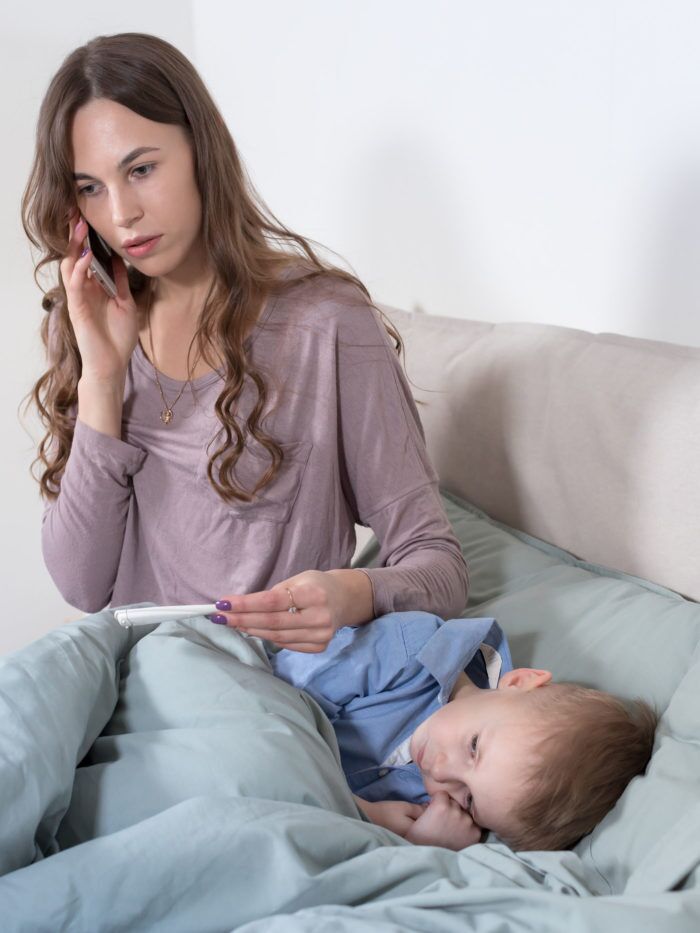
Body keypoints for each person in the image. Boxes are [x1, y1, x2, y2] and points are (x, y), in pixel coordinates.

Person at [21, 33, 468, 651]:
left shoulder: (325, 323)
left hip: (254, 697)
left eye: (141, 169)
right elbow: (81, 582)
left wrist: (350, 593)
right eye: (90, 188)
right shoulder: (90, 322)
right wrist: (101, 374)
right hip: (127, 686)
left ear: (204, 149)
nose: (121, 213)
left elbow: (439, 567)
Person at [270, 611, 659, 851]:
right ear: (518, 681)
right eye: (474, 747)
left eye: (470, 800)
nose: (441, 774)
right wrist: (363, 812)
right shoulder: (412, 651)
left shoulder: (432, 809)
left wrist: (420, 845)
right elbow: (276, 703)